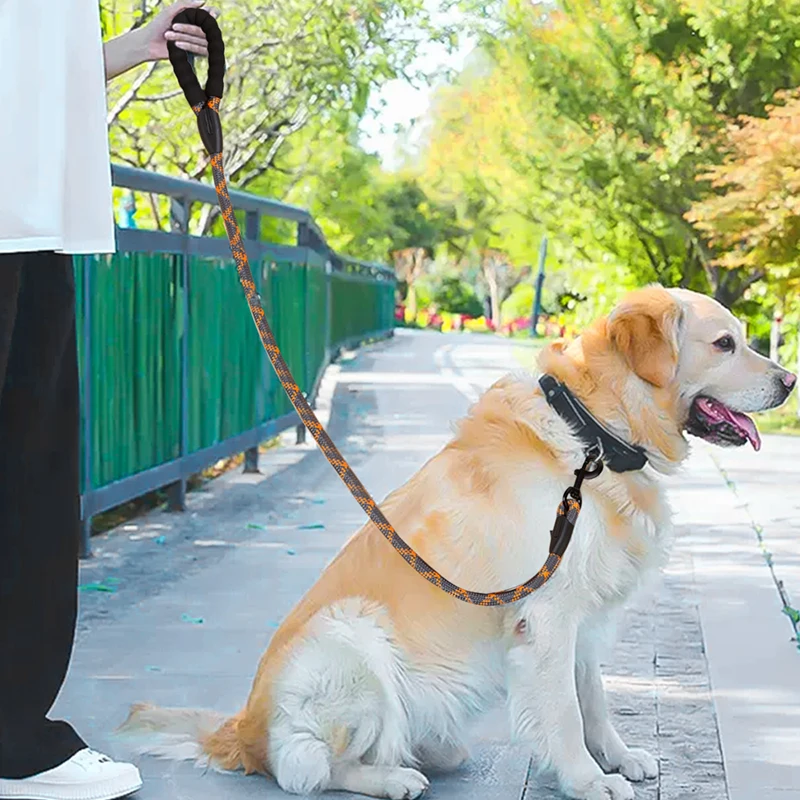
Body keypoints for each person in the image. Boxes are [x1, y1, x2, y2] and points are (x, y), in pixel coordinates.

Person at [0, 2, 217, 798]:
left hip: (38, 213)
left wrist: (133, 48)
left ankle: (14, 738)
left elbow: (29, 61)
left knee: (33, 483)